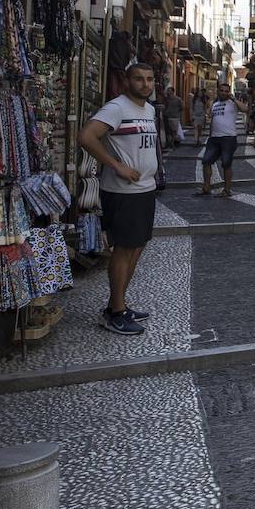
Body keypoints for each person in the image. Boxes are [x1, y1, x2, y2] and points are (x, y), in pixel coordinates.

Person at [77, 62, 160, 336]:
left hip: (145, 190)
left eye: (149, 79)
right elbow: (86, 136)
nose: (145, 84)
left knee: (136, 248)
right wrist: (117, 166)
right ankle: (115, 313)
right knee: (124, 250)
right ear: (127, 81)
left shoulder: (149, 110)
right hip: (123, 193)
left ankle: (117, 304)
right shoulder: (116, 108)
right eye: (139, 79)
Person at [197, 81, 240, 197]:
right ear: (218, 91)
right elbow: (211, 118)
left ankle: (227, 190)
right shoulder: (215, 104)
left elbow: (245, 108)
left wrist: (234, 99)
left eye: (226, 91)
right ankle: (206, 187)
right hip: (214, 138)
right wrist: (210, 135)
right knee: (206, 161)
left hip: (228, 138)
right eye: (221, 90)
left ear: (229, 92)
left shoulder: (232, 103)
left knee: (226, 164)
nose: (224, 93)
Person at [162, 86, 183, 152]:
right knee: (168, 131)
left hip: (175, 117)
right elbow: (164, 106)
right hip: (167, 116)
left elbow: (182, 107)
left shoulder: (178, 99)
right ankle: (170, 143)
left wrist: (178, 113)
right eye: (167, 90)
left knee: (174, 131)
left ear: (173, 91)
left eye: (169, 90)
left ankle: (172, 143)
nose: (168, 92)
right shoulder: (166, 99)